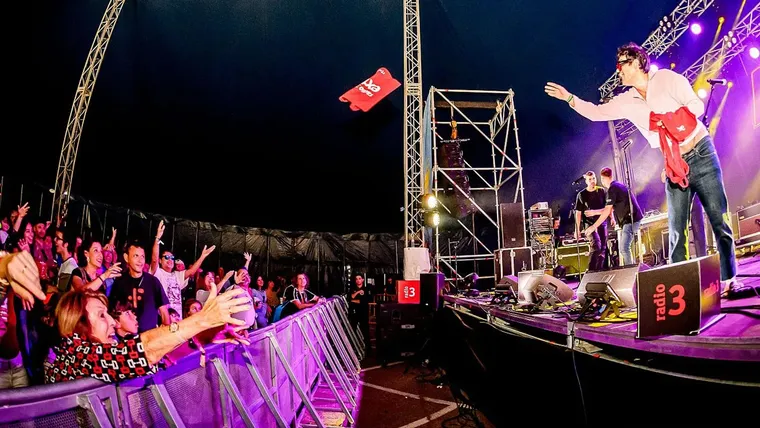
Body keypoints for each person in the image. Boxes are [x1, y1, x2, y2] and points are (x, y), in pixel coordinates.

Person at [545, 42, 742, 294]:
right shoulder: (626, 100)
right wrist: (569, 98)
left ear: (638, 62)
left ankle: (729, 279)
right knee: (676, 230)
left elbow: (696, 105)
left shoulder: (666, 79)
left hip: (701, 151)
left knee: (718, 217)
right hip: (674, 162)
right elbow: (595, 113)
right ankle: (682, 288)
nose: (618, 71)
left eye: (621, 65)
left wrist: (671, 120)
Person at [582, 168, 643, 266]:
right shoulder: (617, 185)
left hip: (630, 220)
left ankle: (631, 270)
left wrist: (593, 226)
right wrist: (596, 213)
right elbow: (610, 208)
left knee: (624, 248)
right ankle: (631, 268)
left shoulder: (612, 189)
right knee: (625, 248)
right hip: (632, 219)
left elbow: (607, 210)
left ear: (602, 179)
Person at [574, 171, 608, 271]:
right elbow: (578, 213)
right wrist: (577, 229)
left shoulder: (601, 191)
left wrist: (612, 218)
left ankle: (599, 271)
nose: (592, 181)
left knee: (603, 249)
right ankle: (591, 271)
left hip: (602, 222)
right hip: (589, 225)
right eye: (590, 179)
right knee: (596, 246)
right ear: (586, 181)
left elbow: (608, 208)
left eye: (594, 178)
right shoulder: (582, 194)